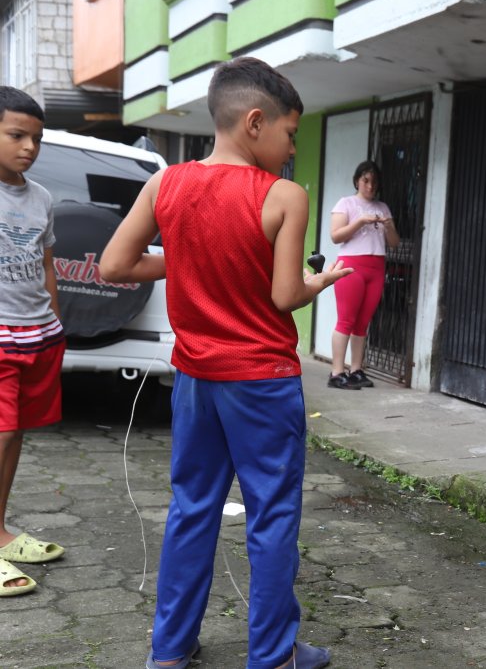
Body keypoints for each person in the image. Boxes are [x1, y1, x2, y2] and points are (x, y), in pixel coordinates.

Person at [99, 57, 349, 669]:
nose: (292, 149)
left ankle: (170, 650)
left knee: (192, 509)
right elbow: (284, 296)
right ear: (257, 122)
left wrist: (185, 257)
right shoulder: (285, 196)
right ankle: (272, 658)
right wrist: (323, 280)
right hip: (262, 384)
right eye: (291, 134)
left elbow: (113, 266)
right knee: (271, 518)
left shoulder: (166, 185)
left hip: (194, 380)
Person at [0, 86, 68, 598]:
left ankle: (0, 530)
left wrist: (57, 319)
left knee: (15, 435)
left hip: (38, 334)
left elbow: (46, 262)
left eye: (36, 139)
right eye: (16, 135)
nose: (29, 147)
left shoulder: (41, 197)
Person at [326, 160, 398, 390]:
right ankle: (337, 372)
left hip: (376, 266)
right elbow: (336, 236)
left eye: (374, 182)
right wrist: (360, 221)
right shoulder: (346, 203)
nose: (370, 186)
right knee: (346, 319)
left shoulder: (383, 207)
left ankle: (356, 369)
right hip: (351, 266)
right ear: (357, 180)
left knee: (363, 322)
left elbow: (394, 243)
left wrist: (388, 227)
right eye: (366, 181)